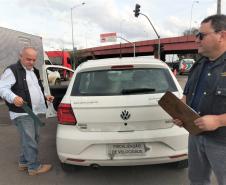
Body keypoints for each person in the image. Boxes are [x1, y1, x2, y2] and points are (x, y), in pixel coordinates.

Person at [173, 14, 226, 185]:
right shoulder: (199, 64)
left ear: (222, 36)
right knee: (197, 179)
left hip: (222, 141)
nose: (197, 40)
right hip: (195, 135)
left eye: (201, 35)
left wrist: (218, 120)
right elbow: (187, 95)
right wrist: (179, 111)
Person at [0, 47, 54, 176]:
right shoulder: (12, 70)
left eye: (34, 60)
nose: (31, 62)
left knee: (32, 138)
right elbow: (2, 88)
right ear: (21, 56)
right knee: (30, 139)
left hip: (33, 111)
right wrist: (13, 98)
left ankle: (24, 162)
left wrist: (45, 96)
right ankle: (33, 167)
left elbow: (37, 87)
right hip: (22, 112)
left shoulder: (34, 71)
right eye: (28, 59)